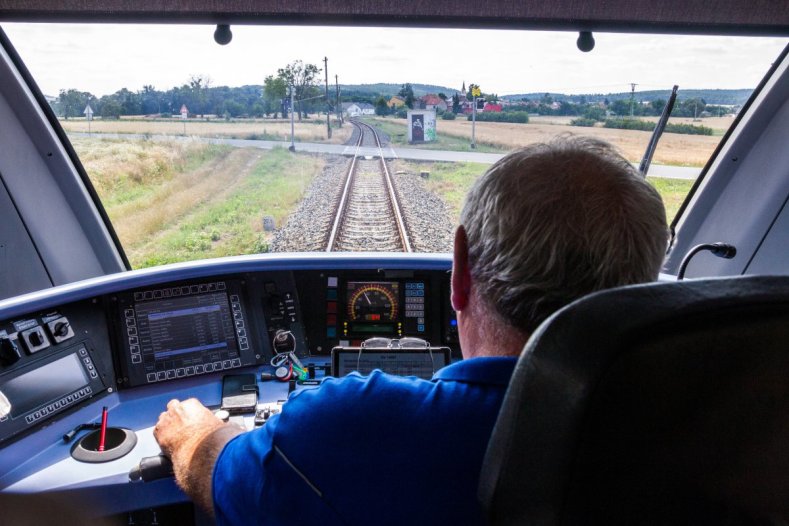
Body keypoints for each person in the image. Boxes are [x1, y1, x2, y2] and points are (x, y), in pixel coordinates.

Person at [154, 135, 668, 525]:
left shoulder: (344, 424)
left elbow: (215, 474)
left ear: (459, 272)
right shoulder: (696, 422)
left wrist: (194, 432)